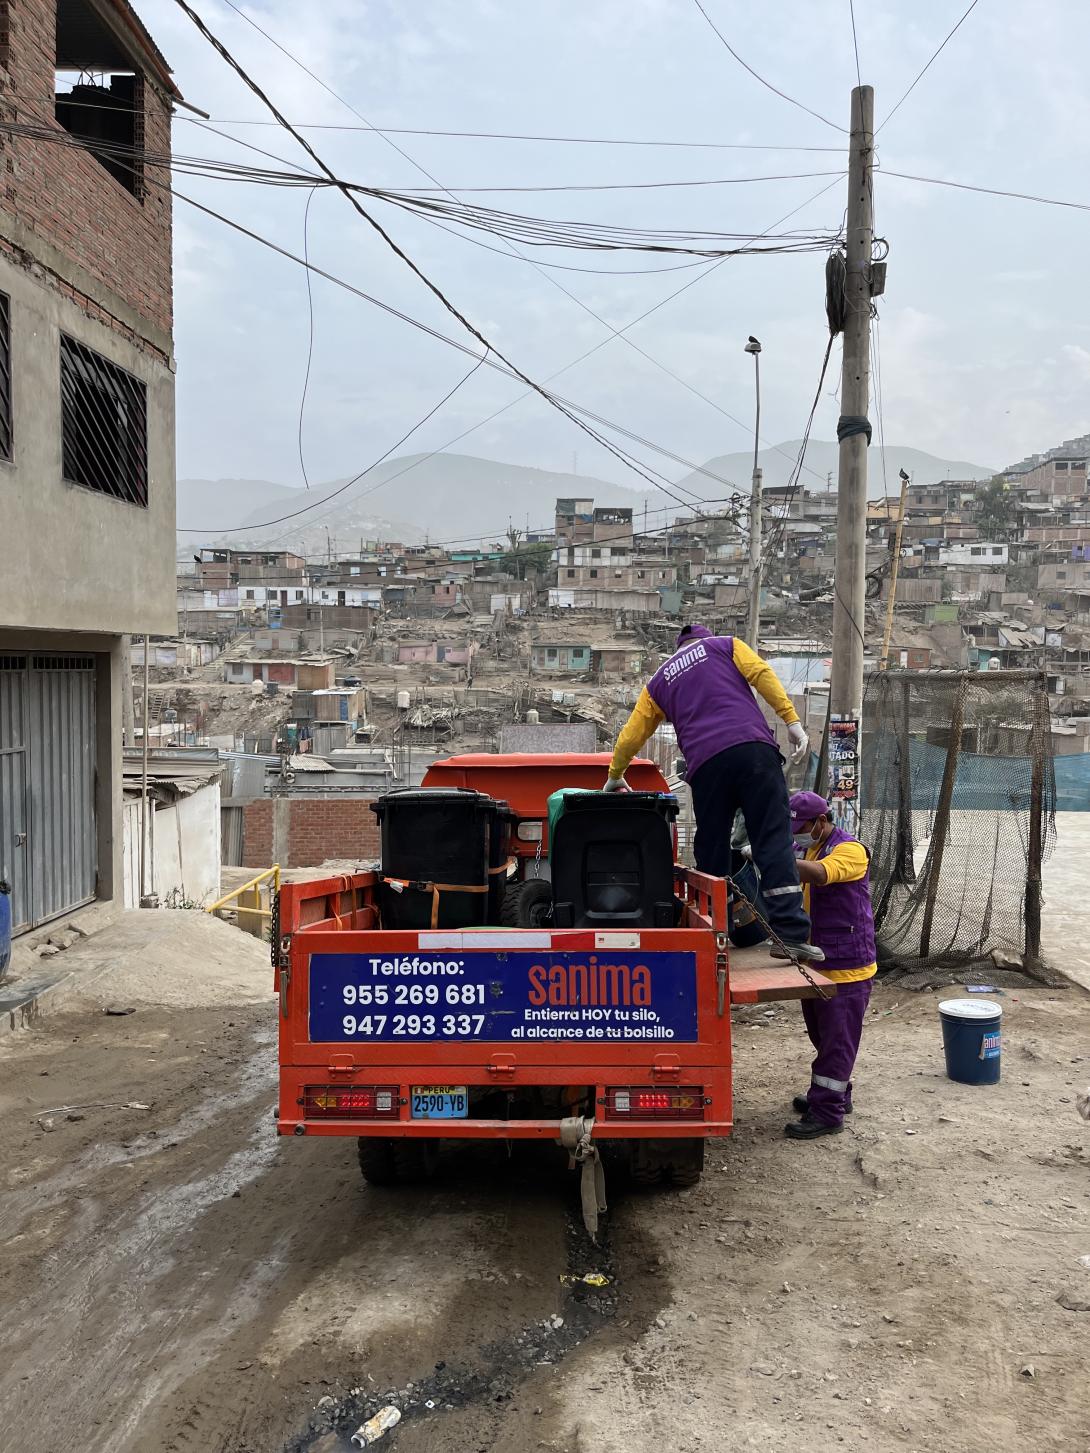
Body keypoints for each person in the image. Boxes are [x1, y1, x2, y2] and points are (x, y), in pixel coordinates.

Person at [604, 623, 822, 962]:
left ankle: (716, 932)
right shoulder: (725, 645)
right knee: (773, 840)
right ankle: (790, 936)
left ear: (678, 648)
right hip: (755, 753)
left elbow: (633, 733)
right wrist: (792, 721)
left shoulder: (659, 681)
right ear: (702, 639)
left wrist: (615, 774)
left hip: (707, 767)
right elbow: (762, 673)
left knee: (712, 848)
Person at [784, 790, 877, 1141]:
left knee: (837, 1041)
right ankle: (834, 1095)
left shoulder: (850, 850)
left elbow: (821, 875)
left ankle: (827, 1112)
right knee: (822, 1036)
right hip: (820, 961)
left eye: (801, 827)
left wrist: (775, 859)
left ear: (821, 821)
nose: (797, 834)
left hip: (848, 966)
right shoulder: (810, 845)